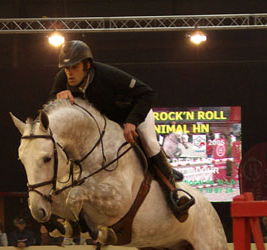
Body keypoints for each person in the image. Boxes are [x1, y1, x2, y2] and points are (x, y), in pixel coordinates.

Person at [50, 40, 193, 222]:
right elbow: (51, 104)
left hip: (134, 113)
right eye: (66, 68)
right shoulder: (63, 78)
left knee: (150, 144)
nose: (69, 73)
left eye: (74, 67)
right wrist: (56, 96)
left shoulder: (107, 75)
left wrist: (132, 122)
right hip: (106, 124)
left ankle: (174, 196)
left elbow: (148, 94)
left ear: (87, 65)